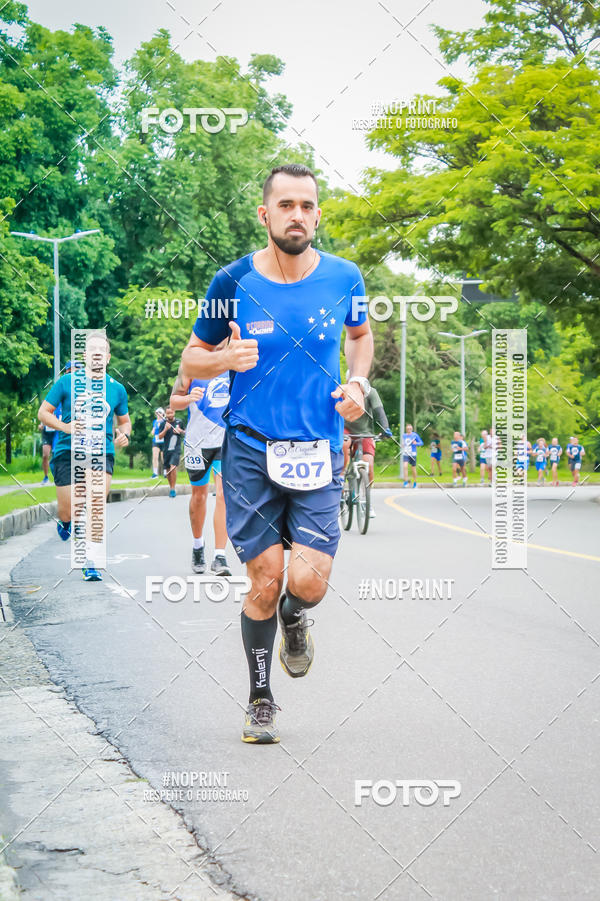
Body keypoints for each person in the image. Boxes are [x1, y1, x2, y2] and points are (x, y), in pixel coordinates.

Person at [180, 163, 372, 743]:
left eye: (307, 206)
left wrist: (358, 383)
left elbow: (360, 338)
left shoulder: (345, 277)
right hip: (250, 449)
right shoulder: (232, 281)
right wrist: (223, 360)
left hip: (319, 447)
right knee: (264, 579)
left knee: (308, 584)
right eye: (286, 205)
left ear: (318, 215)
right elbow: (192, 359)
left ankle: (296, 617)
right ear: (265, 214)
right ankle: (260, 699)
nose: (297, 215)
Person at [37, 334, 131, 581]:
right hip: (67, 452)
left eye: (102, 350)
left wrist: (125, 434)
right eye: (92, 349)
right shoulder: (67, 382)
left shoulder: (117, 389)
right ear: (85, 355)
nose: (97, 353)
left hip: (101, 452)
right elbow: (43, 413)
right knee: (69, 510)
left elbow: (125, 421)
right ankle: (66, 522)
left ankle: (91, 561)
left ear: (108, 357)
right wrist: (65, 427)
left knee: (96, 503)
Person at [170, 368, 231, 575]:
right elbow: (174, 402)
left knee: (223, 494)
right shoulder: (192, 367)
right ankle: (198, 545)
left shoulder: (233, 366)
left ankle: (220, 556)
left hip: (225, 440)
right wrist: (188, 398)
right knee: (199, 496)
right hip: (197, 442)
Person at [343, 381, 392, 517]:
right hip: (346, 430)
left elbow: (379, 412)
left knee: (369, 464)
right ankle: (341, 476)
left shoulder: (371, 392)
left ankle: (366, 500)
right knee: (344, 445)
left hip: (365, 432)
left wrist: (385, 428)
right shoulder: (344, 390)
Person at [39, 360, 73, 483]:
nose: (71, 374)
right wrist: (42, 424)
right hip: (48, 430)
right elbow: (45, 410)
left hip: (60, 429)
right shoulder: (60, 387)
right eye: (69, 371)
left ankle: (59, 477)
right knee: (45, 454)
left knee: (57, 453)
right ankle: (46, 476)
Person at [158, 408, 185, 497]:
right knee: (168, 470)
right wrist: (165, 429)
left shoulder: (179, 422)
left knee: (173, 467)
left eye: (171, 413)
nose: (170, 414)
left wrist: (180, 431)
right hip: (166, 450)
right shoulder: (163, 423)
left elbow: (185, 432)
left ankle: (173, 488)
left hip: (176, 449)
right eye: (168, 413)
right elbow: (160, 437)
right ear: (165, 414)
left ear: (174, 412)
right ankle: (171, 487)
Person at [402, 424, 423, 488]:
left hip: (413, 454)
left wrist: (416, 443)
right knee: (405, 466)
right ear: (406, 429)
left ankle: (415, 482)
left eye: (410, 429)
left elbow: (421, 443)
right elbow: (403, 443)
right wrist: (402, 445)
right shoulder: (404, 435)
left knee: (413, 468)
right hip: (406, 453)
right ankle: (406, 482)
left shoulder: (415, 435)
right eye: (408, 429)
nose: (409, 430)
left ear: (412, 429)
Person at [150, 407, 165, 478]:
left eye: (160, 413)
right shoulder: (155, 422)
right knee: (155, 457)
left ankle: (165, 473)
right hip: (156, 441)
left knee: (163, 458)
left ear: (163, 414)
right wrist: (152, 431)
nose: (158, 414)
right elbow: (153, 431)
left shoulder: (165, 421)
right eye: (157, 413)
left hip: (163, 441)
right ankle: (155, 473)